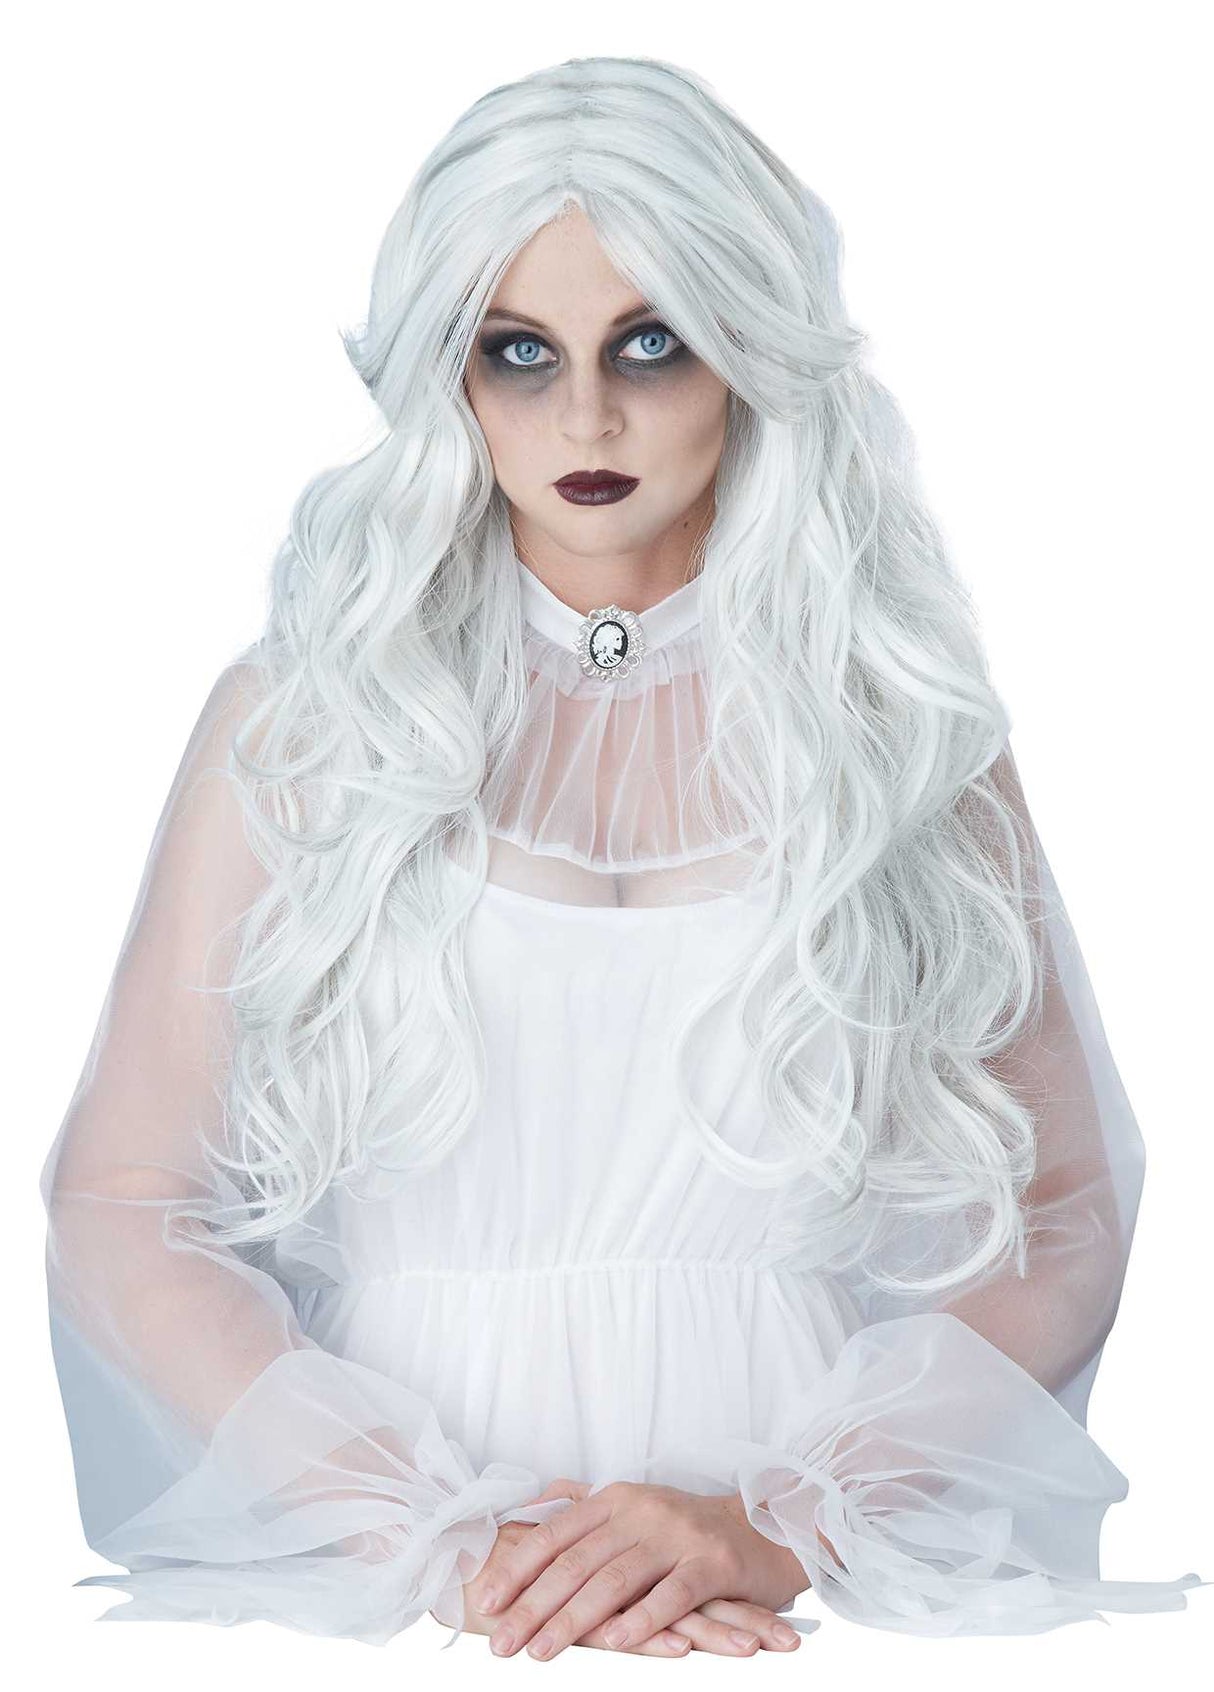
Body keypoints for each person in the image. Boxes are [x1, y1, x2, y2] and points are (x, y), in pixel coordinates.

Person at [40, 54, 1207, 1658]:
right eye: (518, 351)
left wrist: (785, 1519)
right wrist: (439, 1537)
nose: (584, 417)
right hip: (406, 1605)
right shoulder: (314, 724)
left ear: (746, 349)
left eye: (649, 343)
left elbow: (1061, 1204)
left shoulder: (888, 728)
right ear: (449, 373)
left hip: (783, 1608)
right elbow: (125, 1197)